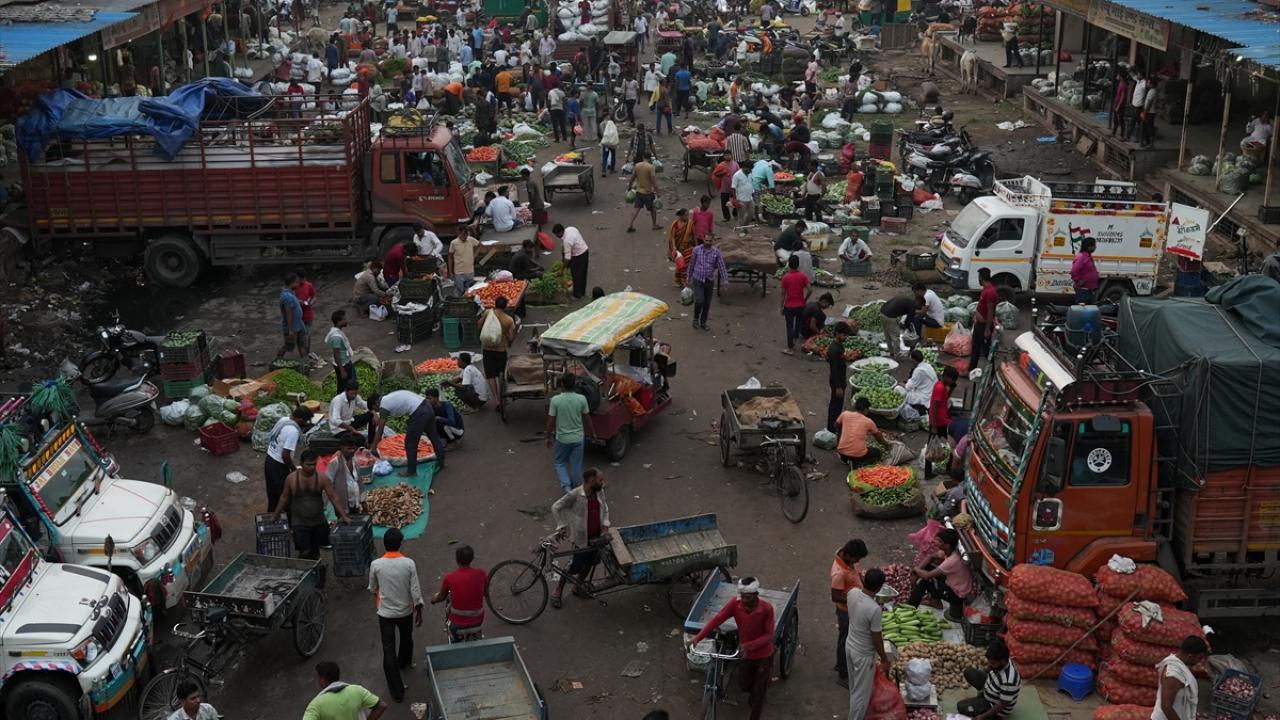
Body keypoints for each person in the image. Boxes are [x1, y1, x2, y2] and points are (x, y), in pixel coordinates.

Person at [688, 577, 776, 720]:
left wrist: (748, 645)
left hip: (763, 655)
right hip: (746, 656)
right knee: (744, 684)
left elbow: (769, 635)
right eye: (742, 597)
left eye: (747, 598)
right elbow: (717, 620)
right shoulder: (735, 604)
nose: (744, 601)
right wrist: (698, 638)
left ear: (755, 595)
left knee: (758, 696)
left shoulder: (767, 609)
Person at [367, 528, 424, 703]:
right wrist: (419, 609)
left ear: (384, 544)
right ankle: (405, 661)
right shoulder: (409, 563)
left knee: (388, 649)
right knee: (406, 638)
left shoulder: (376, 565)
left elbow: (372, 587)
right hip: (405, 611)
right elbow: (415, 589)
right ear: (400, 544)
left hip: (385, 613)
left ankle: (397, 691)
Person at [273, 450, 351, 560]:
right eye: (308, 465)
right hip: (299, 522)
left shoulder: (322, 478)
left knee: (315, 550)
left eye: (314, 464)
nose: (312, 467)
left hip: (318, 521)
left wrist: (343, 516)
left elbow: (333, 497)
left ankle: (317, 570)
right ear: (301, 463)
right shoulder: (291, 479)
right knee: (305, 551)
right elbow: (284, 497)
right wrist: (276, 514)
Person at [550, 467, 609, 608]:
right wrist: (561, 526)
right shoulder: (575, 494)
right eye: (600, 480)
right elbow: (556, 507)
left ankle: (577, 586)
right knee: (573, 566)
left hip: (596, 537)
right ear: (591, 480)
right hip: (581, 538)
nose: (603, 483)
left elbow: (605, 509)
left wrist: (605, 526)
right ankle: (557, 591)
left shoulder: (599, 491)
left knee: (590, 562)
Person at [845, 568, 893, 720]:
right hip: (863, 655)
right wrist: (884, 659)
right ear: (879, 588)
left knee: (854, 687)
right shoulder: (874, 609)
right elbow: (876, 639)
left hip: (850, 646)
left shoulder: (852, 593)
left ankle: (854, 711)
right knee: (861, 696)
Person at [907, 528, 973, 621]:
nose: (935, 542)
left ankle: (910, 608)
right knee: (927, 568)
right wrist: (916, 572)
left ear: (947, 545)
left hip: (957, 595)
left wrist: (915, 569)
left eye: (939, 541)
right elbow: (931, 557)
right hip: (952, 584)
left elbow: (927, 576)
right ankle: (935, 601)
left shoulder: (953, 560)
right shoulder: (950, 551)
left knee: (925, 582)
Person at [376, 390, 446, 477]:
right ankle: (441, 462)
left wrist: (373, 447)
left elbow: (380, 429)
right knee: (434, 437)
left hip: (420, 412)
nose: (378, 411)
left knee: (410, 442)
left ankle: (411, 471)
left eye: (376, 409)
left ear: (376, 404)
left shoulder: (383, 404)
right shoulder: (390, 397)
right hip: (427, 406)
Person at [547, 372, 594, 491]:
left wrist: (548, 437)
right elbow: (588, 419)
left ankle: (566, 486)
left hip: (562, 439)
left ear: (562, 384)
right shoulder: (581, 399)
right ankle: (575, 488)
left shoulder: (555, 400)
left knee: (559, 462)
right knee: (576, 465)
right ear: (575, 384)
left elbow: (551, 422)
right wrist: (593, 433)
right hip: (578, 438)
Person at [831, 539, 868, 688]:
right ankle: (842, 673)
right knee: (846, 640)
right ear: (847, 554)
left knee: (847, 639)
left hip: (853, 607)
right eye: (856, 558)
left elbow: (856, 571)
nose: (858, 561)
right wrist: (857, 597)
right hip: (846, 610)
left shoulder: (845, 557)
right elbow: (835, 596)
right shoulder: (839, 573)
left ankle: (840, 664)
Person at [431, 544, 488, 641]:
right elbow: (484, 593)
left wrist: (433, 599)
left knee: (453, 633)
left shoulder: (450, 578)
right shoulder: (482, 574)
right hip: (478, 620)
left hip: (457, 624)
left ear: (457, 560)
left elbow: (441, 597)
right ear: (472, 558)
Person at [957, 640, 1022, 720]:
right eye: (989, 662)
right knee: (970, 672)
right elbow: (990, 668)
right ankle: (983, 696)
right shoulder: (1004, 661)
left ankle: (992, 716)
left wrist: (982, 717)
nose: (990, 665)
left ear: (1003, 661)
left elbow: (1002, 704)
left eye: (993, 663)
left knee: (961, 707)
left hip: (994, 705)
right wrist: (986, 672)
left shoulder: (1009, 681)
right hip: (991, 687)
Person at [1151, 636, 1211, 720]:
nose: (1199, 661)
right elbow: (1166, 707)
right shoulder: (1173, 675)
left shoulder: (1181, 665)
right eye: (1199, 658)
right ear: (1190, 656)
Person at [264, 405, 312, 511]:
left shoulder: (284, 419)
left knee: (272, 494)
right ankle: (287, 519)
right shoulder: (293, 431)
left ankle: (271, 513)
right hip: (278, 466)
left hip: (269, 459)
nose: (305, 424)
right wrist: (293, 469)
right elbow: (285, 454)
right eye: (305, 421)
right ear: (300, 419)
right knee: (284, 495)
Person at [303, 661, 387, 720]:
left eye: (318, 677)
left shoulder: (315, 705)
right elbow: (382, 706)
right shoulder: (357, 690)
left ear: (323, 680)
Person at [478, 295, 517, 407]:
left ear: (495, 304)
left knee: (490, 375)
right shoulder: (508, 320)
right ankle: (503, 393)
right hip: (501, 350)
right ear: (505, 306)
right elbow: (510, 337)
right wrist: (509, 343)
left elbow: (479, 325)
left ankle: (496, 399)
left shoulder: (487, 313)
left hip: (487, 349)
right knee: (502, 373)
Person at [687, 233, 728, 331]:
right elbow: (691, 264)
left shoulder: (716, 253)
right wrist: (688, 277)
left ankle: (703, 322)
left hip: (709, 281)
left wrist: (725, 281)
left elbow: (722, 267)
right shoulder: (696, 250)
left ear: (713, 241)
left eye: (710, 241)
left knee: (706, 303)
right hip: (698, 279)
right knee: (699, 300)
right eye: (706, 240)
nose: (708, 242)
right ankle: (696, 319)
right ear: (703, 240)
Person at [835, 397, 888, 467]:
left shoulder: (845, 414)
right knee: (877, 452)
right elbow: (878, 438)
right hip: (858, 455)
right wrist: (886, 444)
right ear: (865, 409)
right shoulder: (868, 421)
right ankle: (858, 462)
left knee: (840, 428)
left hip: (842, 452)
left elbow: (836, 425)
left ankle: (845, 458)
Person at [329, 378, 378, 444]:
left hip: (350, 422)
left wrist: (374, 414)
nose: (354, 396)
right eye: (352, 393)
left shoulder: (355, 397)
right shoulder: (338, 400)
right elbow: (335, 421)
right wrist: (351, 429)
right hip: (339, 430)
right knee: (361, 440)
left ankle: (371, 443)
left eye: (356, 393)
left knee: (370, 415)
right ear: (346, 391)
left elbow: (364, 405)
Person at [326, 432, 364, 515]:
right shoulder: (335, 462)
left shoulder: (355, 460)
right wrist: (341, 512)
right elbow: (328, 486)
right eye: (349, 448)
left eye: (353, 448)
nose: (352, 451)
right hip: (342, 505)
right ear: (341, 447)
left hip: (355, 501)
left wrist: (363, 500)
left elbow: (358, 481)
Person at [780, 255, 811, 355]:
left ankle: (790, 348)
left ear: (789, 264)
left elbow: (782, 294)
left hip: (789, 306)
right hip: (800, 305)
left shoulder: (786, 278)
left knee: (789, 326)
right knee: (797, 324)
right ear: (798, 264)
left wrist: (781, 307)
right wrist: (804, 300)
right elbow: (810, 290)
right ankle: (795, 341)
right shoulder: (803, 276)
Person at [276, 273, 309, 363]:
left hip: (299, 323)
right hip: (292, 327)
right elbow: (289, 313)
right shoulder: (287, 296)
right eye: (297, 282)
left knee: (302, 343)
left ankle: (305, 362)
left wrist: (298, 302)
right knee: (289, 345)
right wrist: (290, 330)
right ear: (291, 283)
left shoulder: (291, 293)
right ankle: (278, 359)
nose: (298, 284)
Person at [970, 268, 998, 368]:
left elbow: (990, 311)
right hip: (978, 324)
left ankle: (992, 373)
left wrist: (987, 329)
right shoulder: (985, 290)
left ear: (981, 277)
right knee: (975, 349)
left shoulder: (990, 292)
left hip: (984, 327)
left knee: (987, 351)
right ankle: (971, 369)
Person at [826, 321, 852, 432]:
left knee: (837, 405)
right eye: (844, 335)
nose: (845, 337)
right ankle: (831, 429)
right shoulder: (834, 349)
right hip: (837, 382)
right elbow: (834, 370)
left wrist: (844, 357)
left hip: (841, 380)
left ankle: (834, 427)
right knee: (835, 407)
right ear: (837, 333)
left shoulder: (838, 346)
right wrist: (838, 387)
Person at [627, 155, 660, 232]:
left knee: (636, 209)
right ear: (650, 159)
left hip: (639, 192)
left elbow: (632, 178)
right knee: (653, 209)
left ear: (643, 158)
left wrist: (629, 187)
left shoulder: (637, 165)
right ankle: (654, 225)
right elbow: (653, 181)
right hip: (648, 192)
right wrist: (658, 192)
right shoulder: (651, 167)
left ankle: (630, 225)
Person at [556, 224, 590, 299]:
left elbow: (567, 258)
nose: (556, 236)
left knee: (576, 275)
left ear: (560, 232)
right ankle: (582, 292)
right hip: (585, 250)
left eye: (557, 234)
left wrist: (562, 269)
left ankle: (577, 295)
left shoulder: (567, 241)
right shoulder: (571, 228)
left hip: (579, 255)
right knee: (583, 273)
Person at [879, 294, 917, 359]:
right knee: (895, 337)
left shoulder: (906, 299)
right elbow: (908, 321)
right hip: (890, 316)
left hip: (882, 313)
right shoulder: (913, 306)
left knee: (887, 334)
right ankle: (897, 354)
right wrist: (909, 329)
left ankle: (891, 352)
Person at [903, 348, 938, 416]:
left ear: (913, 360)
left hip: (925, 398)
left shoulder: (919, 371)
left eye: (910, 360)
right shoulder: (928, 365)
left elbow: (908, 387)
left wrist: (902, 385)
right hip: (931, 393)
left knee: (900, 391)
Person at [448, 226, 481, 294]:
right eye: (463, 235)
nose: (465, 237)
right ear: (459, 233)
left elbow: (479, 245)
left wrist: (474, 255)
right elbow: (450, 257)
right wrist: (450, 272)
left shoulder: (471, 240)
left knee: (470, 290)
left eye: (466, 235)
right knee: (459, 290)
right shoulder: (454, 243)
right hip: (459, 272)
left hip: (470, 271)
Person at [667, 208, 696, 286]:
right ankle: (678, 280)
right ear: (681, 216)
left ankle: (684, 281)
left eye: (688, 215)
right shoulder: (675, 224)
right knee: (680, 264)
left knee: (686, 265)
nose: (688, 217)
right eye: (686, 215)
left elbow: (694, 235)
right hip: (678, 248)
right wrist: (674, 247)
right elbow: (672, 237)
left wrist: (696, 246)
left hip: (688, 247)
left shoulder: (690, 223)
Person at [326, 310, 356, 384]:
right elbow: (336, 354)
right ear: (339, 322)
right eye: (344, 319)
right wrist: (342, 370)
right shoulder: (336, 337)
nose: (346, 321)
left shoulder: (337, 331)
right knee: (344, 386)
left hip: (345, 361)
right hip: (342, 364)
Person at [712, 152, 739, 222]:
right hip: (724, 187)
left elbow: (739, 173)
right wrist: (723, 172)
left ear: (731, 155)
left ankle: (735, 213)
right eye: (726, 155)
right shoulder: (721, 165)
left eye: (729, 155)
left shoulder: (735, 164)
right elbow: (715, 173)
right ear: (724, 156)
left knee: (736, 201)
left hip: (734, 187)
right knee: (724, 203)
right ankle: (726, 217)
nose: (727, 156)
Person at [1071, 237, 1099, 304]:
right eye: (1094, 245)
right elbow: (1074, 271)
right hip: (1083, 289)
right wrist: (1078, 280)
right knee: (1081, 310)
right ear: (1089, 247)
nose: (1095, 247)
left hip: (1089, 288)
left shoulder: (1088, 257)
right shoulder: (1082, 257)